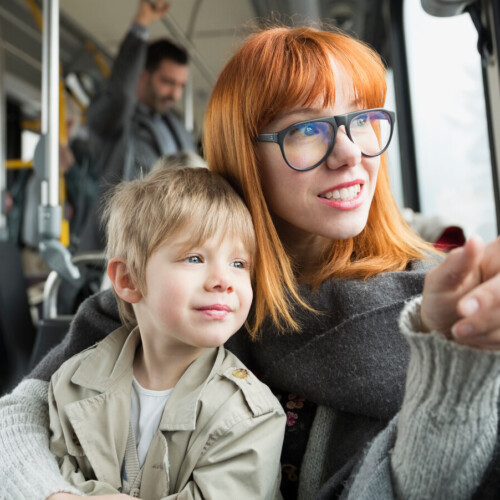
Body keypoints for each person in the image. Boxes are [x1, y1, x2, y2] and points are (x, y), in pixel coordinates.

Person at [1, 24, 500, 500]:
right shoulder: (163, 298)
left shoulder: (436, 307)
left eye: (364, 120)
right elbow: (15, 421)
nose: (350, 153)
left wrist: (455, 361)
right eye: (308, 128)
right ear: (244, 154)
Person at [48, 167, 285, 498]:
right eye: (194, 257)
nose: (223, 280)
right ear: (129, 280)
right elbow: (46, 476)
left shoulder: (250, 416)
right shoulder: (72, 384)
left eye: (239, 264)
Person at [87, 0, 196, 184]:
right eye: (168, 82)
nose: (175, 95)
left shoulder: (178, 130)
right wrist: (140, 26)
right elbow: (120, 95)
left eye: (181, 86)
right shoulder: (116, 123)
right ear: (143, 75)